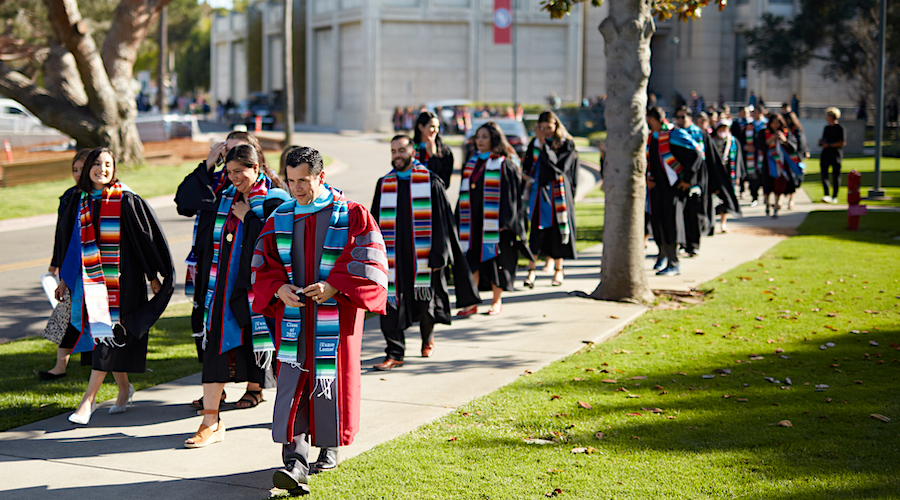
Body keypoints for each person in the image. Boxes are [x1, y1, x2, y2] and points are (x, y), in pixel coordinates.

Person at [251, 146, 388, 495]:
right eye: (291, 181)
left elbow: (369, 265)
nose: (297, 189)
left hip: (335, 317)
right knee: (292, 383)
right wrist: (279, 288)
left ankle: (329, 446)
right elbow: (262, 268)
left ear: (321, 177)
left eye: (304, 181)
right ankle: (295, 462)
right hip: (294, 319)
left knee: (331, 381)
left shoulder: (353, 215)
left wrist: (334, 285)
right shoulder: (279, 218)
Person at [177, 145, 291, 448]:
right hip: (222, 293)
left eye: (239, 171)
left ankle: (289, 413)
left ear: (256, 168)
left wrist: (250, 219)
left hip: (259, 295)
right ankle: (210, 421)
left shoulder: (274, 200)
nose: (233, 177)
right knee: (215, 353)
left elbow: (278, 245)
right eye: (228, 172)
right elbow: (185, 201)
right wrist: (208, 164)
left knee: (279, 357)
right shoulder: (225, 197)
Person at [54, 148, 174, 424]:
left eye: (108, 164)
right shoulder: (79, 200)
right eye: (97, 164)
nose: (103, 170)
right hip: (91, 282)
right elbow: (71, 244)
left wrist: (153, 276)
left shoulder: (126, 199)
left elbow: (143, 242)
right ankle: (123, 389)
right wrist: (64, 278)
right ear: (88, 169)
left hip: (125, 281)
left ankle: (88, 401)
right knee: (103, 337)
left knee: (111, 335)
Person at [370, 136, 480, 371]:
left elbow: (443, 222)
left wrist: (439, 254)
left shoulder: (430, 182)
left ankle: (427, 338)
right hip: (393, 256)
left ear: (413, 152)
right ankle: (394, 353)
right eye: (393, 151)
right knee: (390, 304)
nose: (397, 155)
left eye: (401, 150)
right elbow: (375, 222)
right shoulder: (384, 183)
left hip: (424, 255)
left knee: (425, 303)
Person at [456, 122, 528, 316]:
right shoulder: (472, 163)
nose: (480, 140)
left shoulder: (504, 164)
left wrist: (505, 223)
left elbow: (512, 197)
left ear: (494, 139)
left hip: (496, 224)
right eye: (478, 137)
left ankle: (497, 301)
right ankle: (471, 302)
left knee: (497, 262)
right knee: (472, 260)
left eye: (484, 137)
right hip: (472, 223)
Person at [35, 149, 93, 381]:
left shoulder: (97, 198)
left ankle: (95, 364)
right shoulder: (69, 196)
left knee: (83, 315)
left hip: (91, 266)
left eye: (83, 169)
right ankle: (60, 366)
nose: (78, 175)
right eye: (74, 170)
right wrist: (55, 263)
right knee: (67, 315)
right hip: (70, 267)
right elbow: (61, 234)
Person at [522, 111, 578, 288]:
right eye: (542, 127)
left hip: (558, 195)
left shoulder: (566, 144)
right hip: (539, 194)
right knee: (536, 233)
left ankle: (558, 271)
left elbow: (557, 169)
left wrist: (542, 144)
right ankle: (531, 272)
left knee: (557, 232)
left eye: (548, 127)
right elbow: (527, 167)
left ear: (556, 125)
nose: (545, 131)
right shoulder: (535, 143)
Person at [646, 107, 701, 276]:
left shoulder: (674, 135)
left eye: (648, 120)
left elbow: (696, 154)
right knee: (658, 224)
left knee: (671, 224)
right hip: (656, 188)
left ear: (653, 119)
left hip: (672, 188)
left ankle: (674, 262)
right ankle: (663, 256)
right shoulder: (651, 137)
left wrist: (687, 180)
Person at [673, 107, 709, 257]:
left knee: (693, 214)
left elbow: (699, 157)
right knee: (682, 213)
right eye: (678, 117)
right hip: (680, 179)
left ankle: (693, 245)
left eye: (683, 117)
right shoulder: (675, 134)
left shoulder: (697, 133)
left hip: (694, 180)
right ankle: (683, 243)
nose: (680, 120)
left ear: (689, 117)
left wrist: (690, 179)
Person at [756, 113, 802, 218]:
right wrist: (770, 140)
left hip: (781, 165)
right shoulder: (764, 133)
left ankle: (776, 206)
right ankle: (767, 204)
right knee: (767, 185)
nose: (775, 125)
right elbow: (759, 145)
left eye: (777, 123)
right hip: (768, 163)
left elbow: (793, 147)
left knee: (779, 185)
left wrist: (784, 140)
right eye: (773, 123)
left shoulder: (786, 133)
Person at [711, 120, 744, 233]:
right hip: (715, 175)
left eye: (724, 129)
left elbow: (739, 160)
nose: (722, 132)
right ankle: (712, 223)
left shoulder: (734, 142)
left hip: (729, 175)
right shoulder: (712, 142)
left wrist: (738, 176)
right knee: (714, 200)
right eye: (720, 129)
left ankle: (723, 223)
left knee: (726, 201)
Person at [413, 111, 454, 188]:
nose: (436, 130)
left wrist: (433, 156)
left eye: (437, 127)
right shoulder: (411, 148)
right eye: (432, 126)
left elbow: (444, 182)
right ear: (421, 127)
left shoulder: (444, 151)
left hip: (433, 195)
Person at [818, 107, 845, 204]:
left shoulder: (840, 128)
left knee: (836, 175)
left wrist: (829, 145)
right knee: (824, 174)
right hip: (826, 154)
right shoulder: (826, 128)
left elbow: (842, 143)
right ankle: (826, 194)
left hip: (835, 154)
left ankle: (834, 196)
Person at [784, 111, 809, 210]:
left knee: (794, 179)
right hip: (785, 157)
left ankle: (791, 199)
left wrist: (804, 152)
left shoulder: (797, 130)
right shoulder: (785, 130)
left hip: (794, 158)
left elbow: (802, 143)